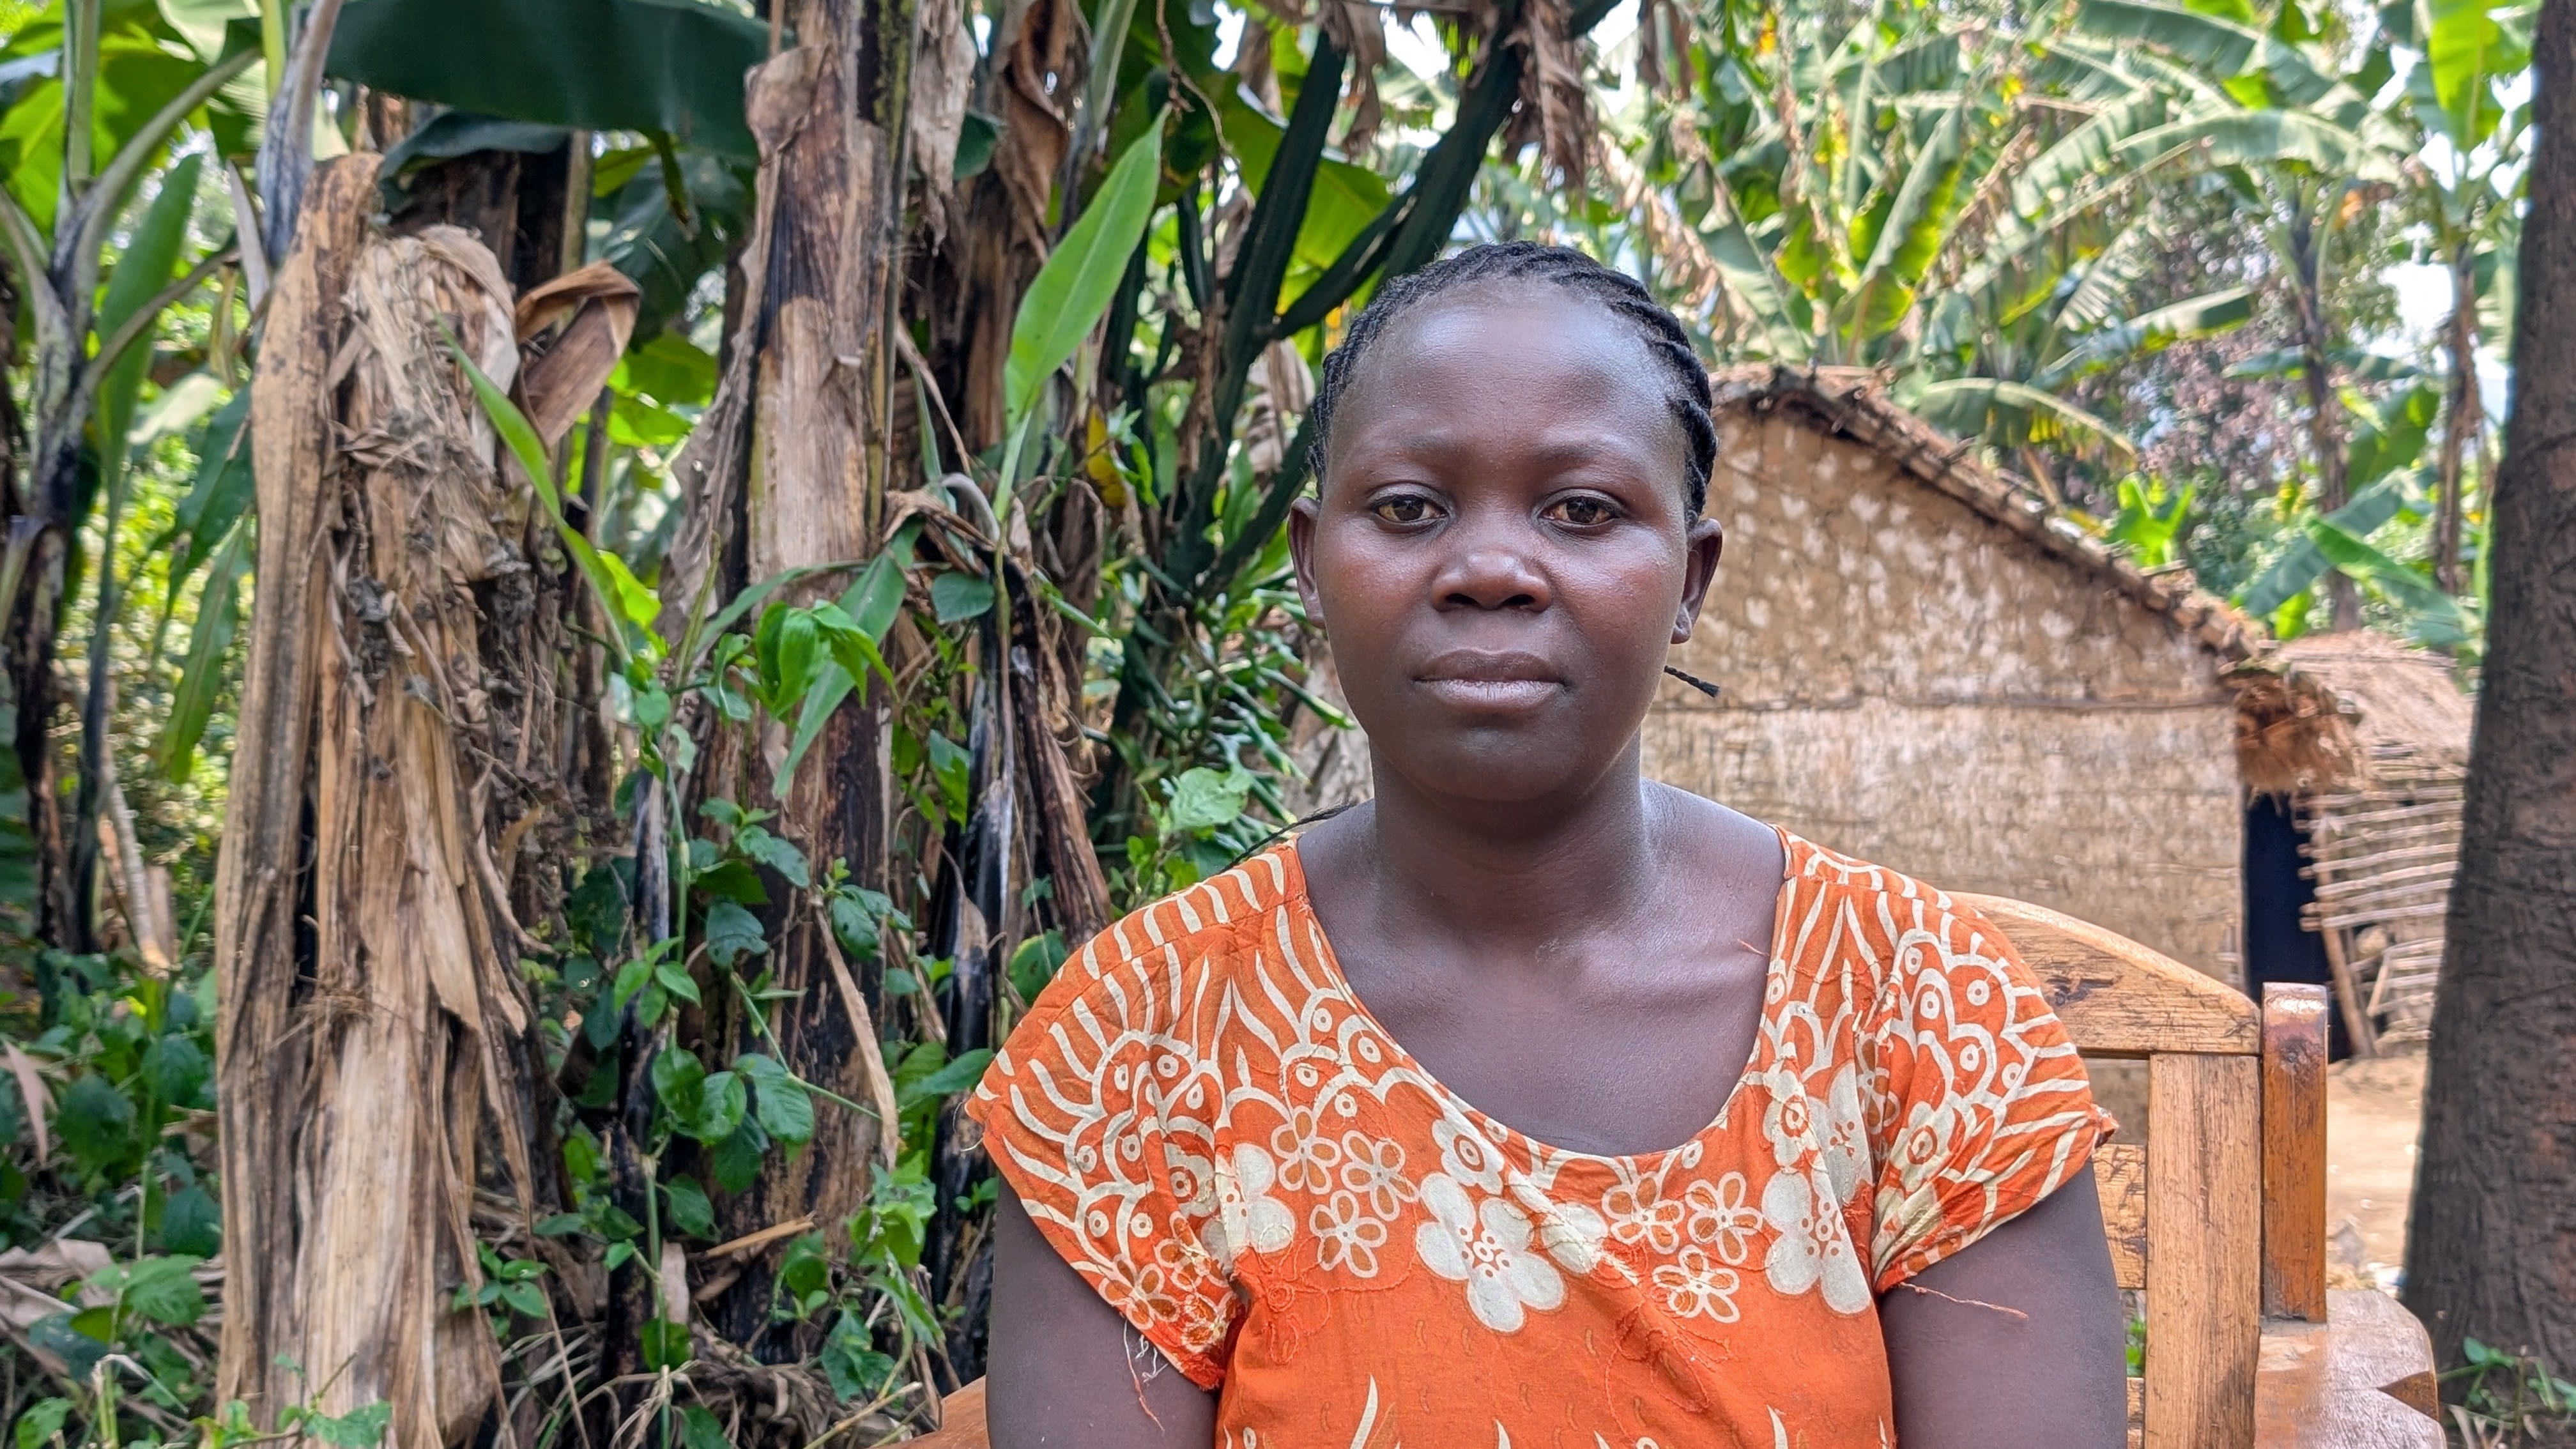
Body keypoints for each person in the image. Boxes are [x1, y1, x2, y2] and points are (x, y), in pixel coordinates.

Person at [965, 241, 2126, 1447]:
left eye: (1583, 510)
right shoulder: (1141, 1045)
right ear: (1312, 565)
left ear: (1692, 576)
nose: (1490, 570)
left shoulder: (1922, 1011)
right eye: (1411, 509)